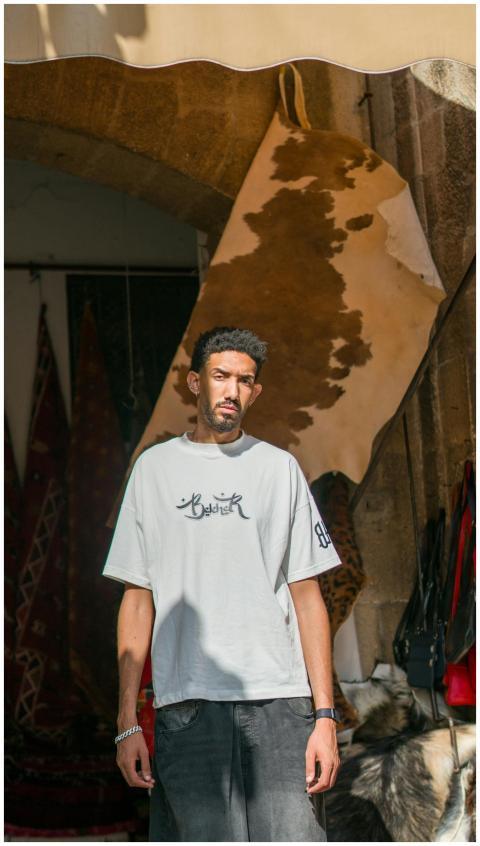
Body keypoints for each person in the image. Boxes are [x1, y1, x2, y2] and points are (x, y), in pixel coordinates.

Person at [103, 326, 342, 842]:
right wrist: (127, 722)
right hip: (186, 704)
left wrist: (325, 717)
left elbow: (307, 597)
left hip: (280, 702)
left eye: (244, 380)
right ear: (195, 383)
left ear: (255, 392)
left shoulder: (280, 469)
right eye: (220, 376)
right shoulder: (154, 470)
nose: (232, 390)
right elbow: (137, 598)